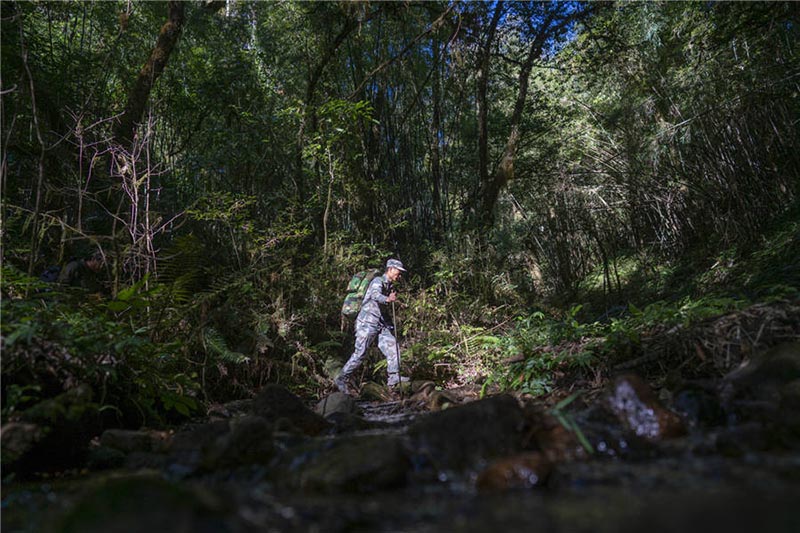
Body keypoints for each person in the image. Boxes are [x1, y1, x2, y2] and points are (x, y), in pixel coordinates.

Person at [335, 258, 410, 394]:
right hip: (366, 323)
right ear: (391, 269)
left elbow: (382, 309)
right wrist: (387, 299)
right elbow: (375, 295)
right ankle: (341, 378)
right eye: (398, 272)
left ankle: (394, 377)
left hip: (380, 325)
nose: (399, 275)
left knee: (394, 348)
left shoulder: (389, 286)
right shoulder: (377, 282)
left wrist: (390, 325)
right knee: (360, 354)